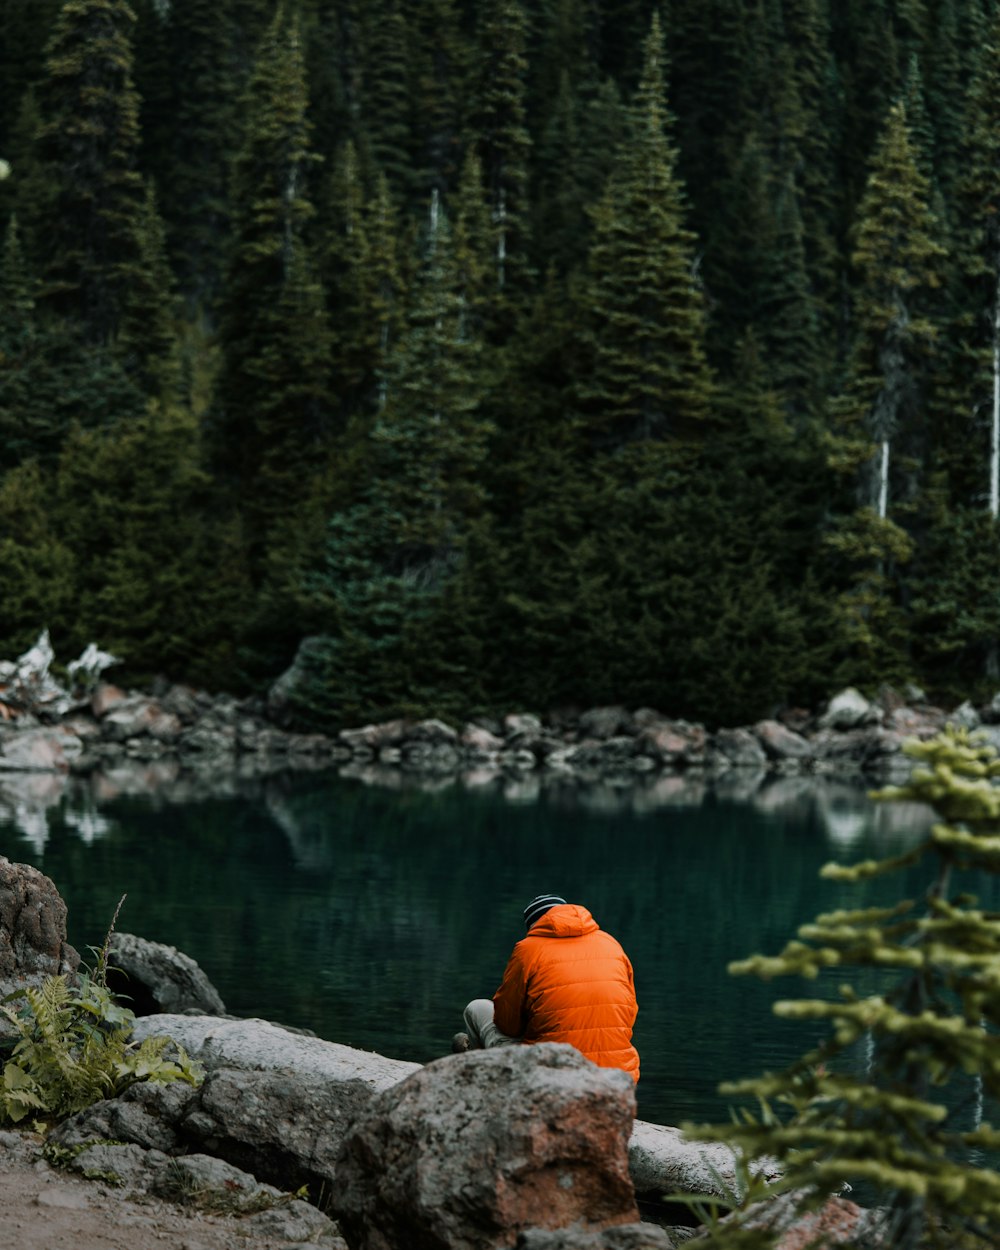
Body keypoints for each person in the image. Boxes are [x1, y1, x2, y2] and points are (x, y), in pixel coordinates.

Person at [457, 894, 639, 1082]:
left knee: (477, 1008)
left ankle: (483, 1089)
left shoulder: (528, 950)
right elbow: (629, 1015)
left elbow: (508, 1025)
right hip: (619, 1077)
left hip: (549, 1077)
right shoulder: (611, 945)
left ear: (534, 925)